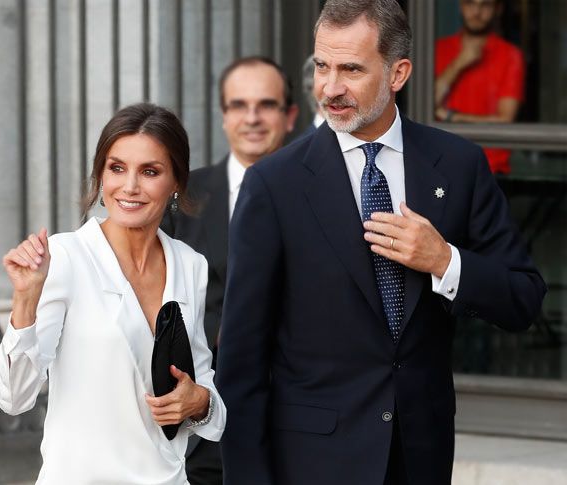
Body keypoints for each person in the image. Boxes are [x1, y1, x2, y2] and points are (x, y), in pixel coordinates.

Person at [216, 1, 545, 484]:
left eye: (351, 69)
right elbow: (241, 364)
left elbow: (524, 298)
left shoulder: (458, 166)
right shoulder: (274, 185)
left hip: (420, 457)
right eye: (322, 67)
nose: (330, 88)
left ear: (398, 73)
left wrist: (445, 261)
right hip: (313, 463)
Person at [0, 103, 226, 485]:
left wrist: (199, 401)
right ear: (101, 176)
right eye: (117, 168)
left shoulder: (190, 264)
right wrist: (25, 298)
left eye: (150, 171)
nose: (130, 186)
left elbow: (205, 391)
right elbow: (13, 397)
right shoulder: (66, 257)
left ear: (176, 184)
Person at [161, 56, 298, 485]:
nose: (252, 118)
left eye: (266, 105)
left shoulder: (325, 194)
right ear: (223, 117)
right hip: (200, 424)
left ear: (290, 116)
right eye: (238, 105)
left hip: (298, 422)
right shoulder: (184, 196)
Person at [435, 0, 525, 174]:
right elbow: (427, 103)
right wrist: (459, 63)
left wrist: (452, 118)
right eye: (470, 3)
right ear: (461, 6)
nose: (476, 12)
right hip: (442, 163)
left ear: (497, 9)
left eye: (486, 5)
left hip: (491, 169)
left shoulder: (510, 55)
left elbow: (505, 119)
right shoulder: (438, 49)